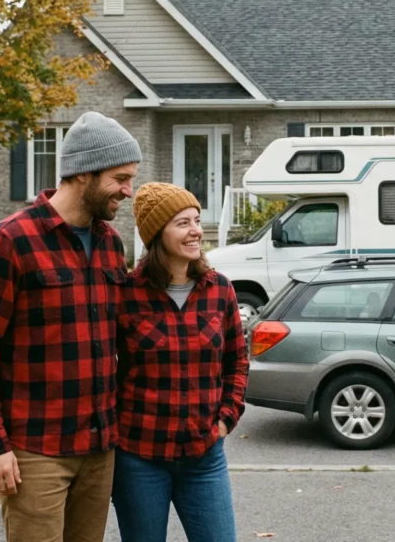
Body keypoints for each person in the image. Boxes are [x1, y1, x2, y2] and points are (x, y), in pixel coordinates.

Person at [0, 111, 140, 542]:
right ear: (83, 173)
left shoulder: (110, 243)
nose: (129, 191)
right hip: (37, 450)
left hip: (99, 448)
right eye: (121, 178)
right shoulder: (9, 242)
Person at [112, 182, 249, 542]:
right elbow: (107, 369)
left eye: (197, 220)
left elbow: (237, 361)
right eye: (182, 223)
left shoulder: (220, 289)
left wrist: (226, 419)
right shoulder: (126, 294)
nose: (196, 231)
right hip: (140, 457)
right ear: (158, 233)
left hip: (204, 455)